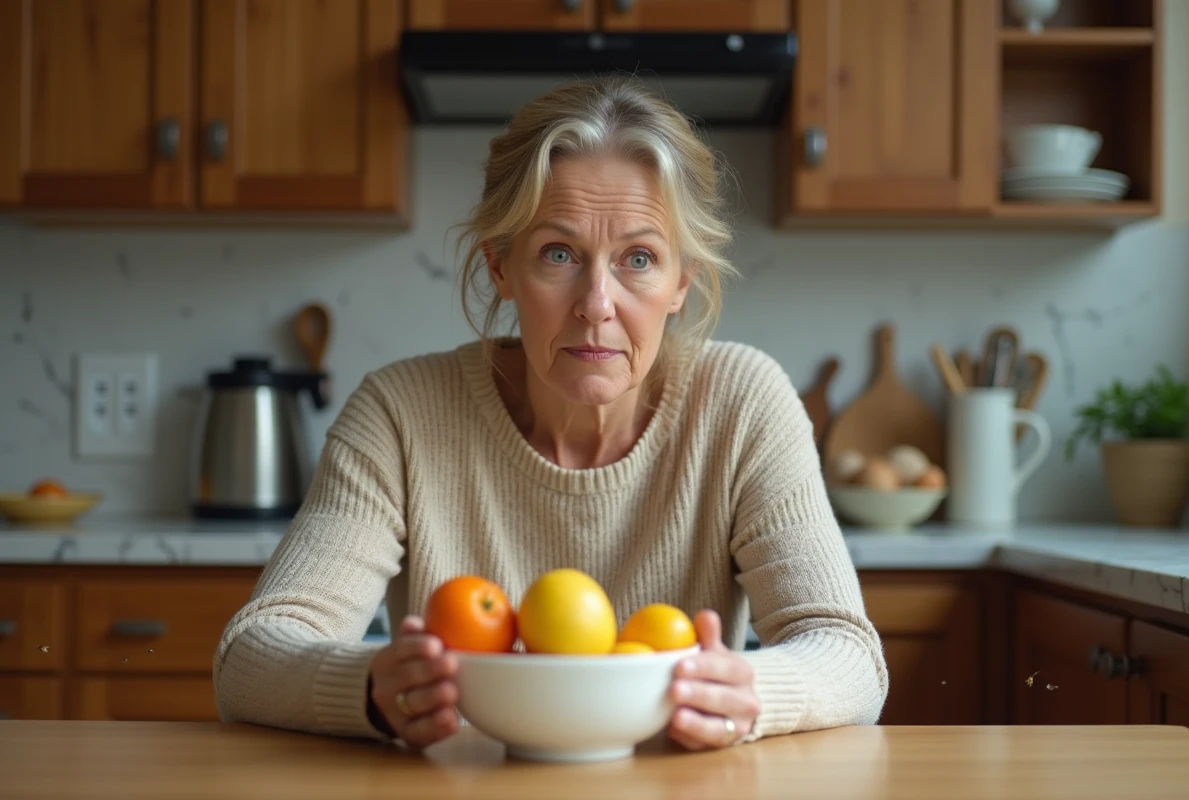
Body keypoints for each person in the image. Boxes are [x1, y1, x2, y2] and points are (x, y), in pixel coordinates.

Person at [214, 77, 888, 752]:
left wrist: (749, 691)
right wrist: (368, 687)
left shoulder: (745, 404)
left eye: (639, 259)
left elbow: (850, 657)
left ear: (682, 281)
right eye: (558, 254)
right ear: (502, 268)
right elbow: (250, 657)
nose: (596, 303)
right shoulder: (399, 415)